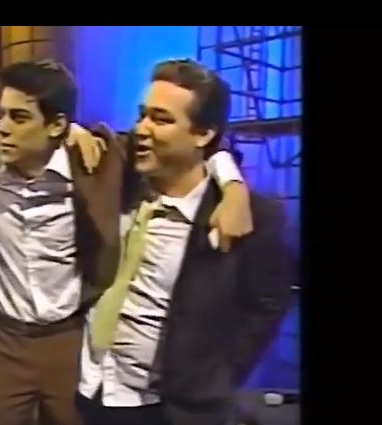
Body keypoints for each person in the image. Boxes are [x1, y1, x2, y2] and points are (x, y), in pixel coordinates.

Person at [0, 60, 253, 425]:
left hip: (71, 337)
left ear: (57, 125)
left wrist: (234, 187)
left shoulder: (94, 162)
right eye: (1, 115)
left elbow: (205, 150)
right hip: (5, 338)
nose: (3, 128)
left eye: (18, 117)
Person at [76, 59, 292, 425]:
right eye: (142, 115)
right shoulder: (119, 181)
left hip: (171, 409)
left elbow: (267, 305)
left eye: (161, 120)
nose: (142, 129)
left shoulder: (252, 217)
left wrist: (217, 376)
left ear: (202, 133)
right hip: (89, 389)